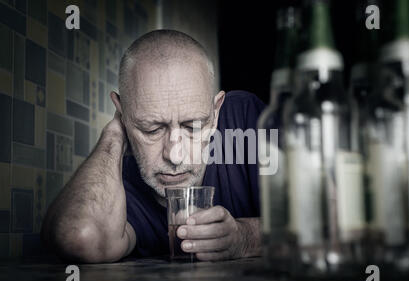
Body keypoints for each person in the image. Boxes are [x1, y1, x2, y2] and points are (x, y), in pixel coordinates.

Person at [41, 30, 265, 263]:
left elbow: (306, 218)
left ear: (216, 110)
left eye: (192, 126)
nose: (175, 156)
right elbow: (77, 238)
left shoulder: (245, 120)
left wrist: (245, 237)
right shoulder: (115, 183)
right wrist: (114, 134)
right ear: (122, 111)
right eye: (152, 129)